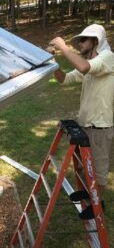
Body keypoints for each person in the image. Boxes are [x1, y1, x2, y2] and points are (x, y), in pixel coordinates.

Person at [48, 24, 114, 219]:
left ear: (96, 41)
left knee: (99, 170)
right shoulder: (89, 64)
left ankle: (97, 205)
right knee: (82, 165)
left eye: (84, 40)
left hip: (100, 127)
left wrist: (63, 46)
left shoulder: (108, 58)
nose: (80, 43)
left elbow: (84, 67)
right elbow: (64, 79)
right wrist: (52, 61)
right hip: (85, 124)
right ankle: (88, 192)